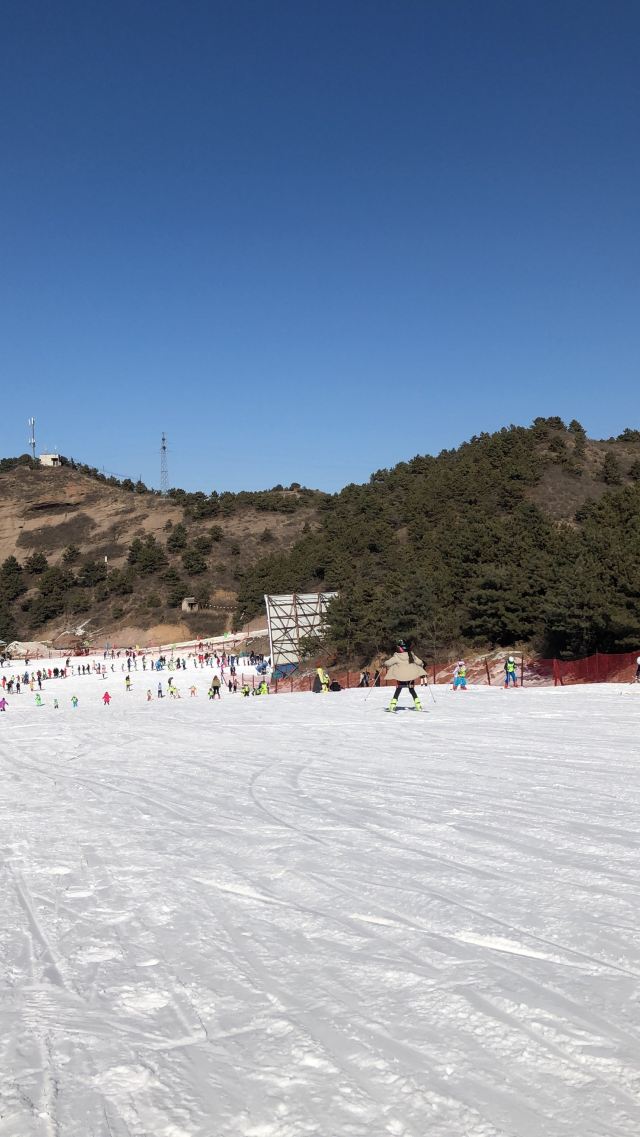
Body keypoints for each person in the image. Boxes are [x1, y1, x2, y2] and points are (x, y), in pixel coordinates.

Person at [384, 641, 426, 712]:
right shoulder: (411, 655)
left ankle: (392, 706)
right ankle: (418, 705)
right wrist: (422, 663)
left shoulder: (397, 656)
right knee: (411, 689)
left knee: (398, 689)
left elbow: (387, 663)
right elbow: (419, 662)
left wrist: (384, 663)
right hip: (410, 676)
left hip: (401, 677)